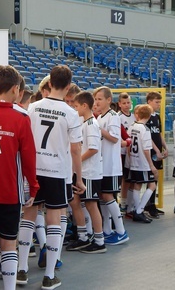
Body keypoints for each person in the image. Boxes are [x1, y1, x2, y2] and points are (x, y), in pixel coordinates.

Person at [22, 65, 85, 289]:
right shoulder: (71, 113)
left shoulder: (33, 107)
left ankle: (20, 270)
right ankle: (49, 275)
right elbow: (76, 149)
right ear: (68, 87)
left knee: (29, 215)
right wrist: (78, 178)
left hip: (33, 169)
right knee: (54, 218)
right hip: (57, 171)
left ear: (49, 84)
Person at [0, 65, 39, 289]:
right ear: (16, 89)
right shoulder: (21, 118)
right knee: (8, 243)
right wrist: (33, 187)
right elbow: (29, 157)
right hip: (9, 192)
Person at [67, 91, 107, 253]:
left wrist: (76, 162)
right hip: (81, 171)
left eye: (76, 106)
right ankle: (82, 236)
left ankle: (99, 240)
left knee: (91, 204)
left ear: (84, 106)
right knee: (75, 201)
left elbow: (93, 149)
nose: (74, 109)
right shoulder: (84, 122)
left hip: (90, 172)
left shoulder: (91, 125)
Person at [93, 87, 129, 244]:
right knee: (102, 196)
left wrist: (99, 130)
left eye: (100, 99)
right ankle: (107, 230)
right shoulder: (100, 116)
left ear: (109, 100)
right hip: (102, 164)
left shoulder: (113, 117)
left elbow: (114, 138)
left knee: (108, 196)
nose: (97, 102)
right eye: (95, 99)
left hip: (111, 165)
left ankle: (121, 231)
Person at [126, 104, 157, 223]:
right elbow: (146, 149)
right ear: (149, 115)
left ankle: (136, 210)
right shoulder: (145, 129)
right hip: (143, 163)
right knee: (152, 185)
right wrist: (151, 165)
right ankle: (139, 211)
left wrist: (131, 157)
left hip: (134, 160)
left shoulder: (132, 126)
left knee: (137, 186)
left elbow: (129, 144)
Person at [145, 92, 167, 218]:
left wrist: (164, 146)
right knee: (150, 178)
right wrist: (156, 150)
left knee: (155, 177)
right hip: (150, 152)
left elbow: (158, 133)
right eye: (156, 102)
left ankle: (151, 204)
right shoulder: (146, 116)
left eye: (160, 102)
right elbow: (147, 135)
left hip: (157, 151)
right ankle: (149, 205)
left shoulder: (157, 117)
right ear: (149, 101)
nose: (159, 104)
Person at [118, 93, 135, 214]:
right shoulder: (118, 117)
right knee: (124, 179)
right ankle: (122, 202)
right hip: (122, 151)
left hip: (133, 152)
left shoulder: (134, 117)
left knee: (130, 179)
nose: (126, 105)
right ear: (119, 104)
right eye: (124, 103)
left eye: (128, 102)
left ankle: (130, 202)